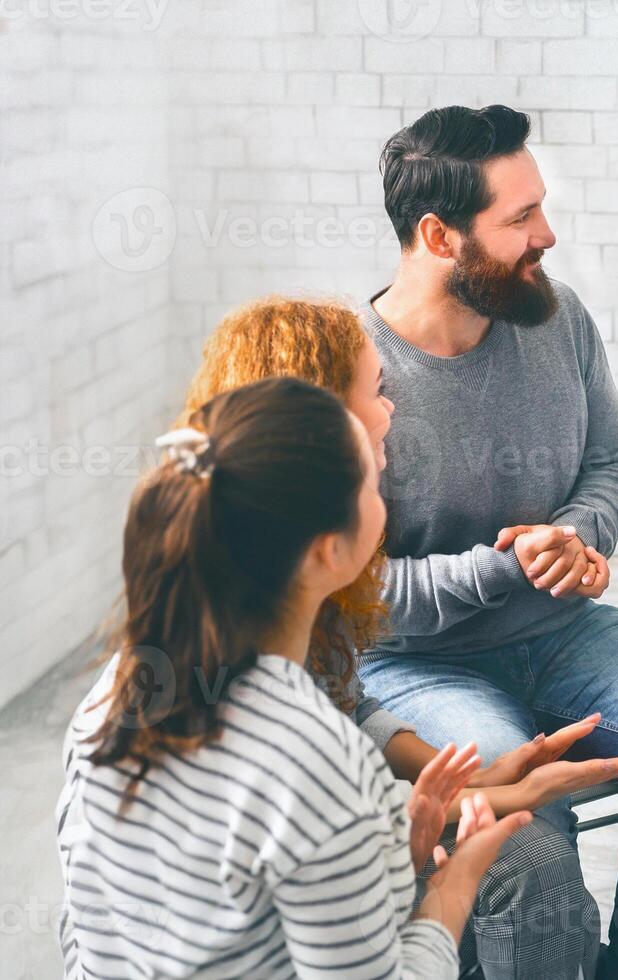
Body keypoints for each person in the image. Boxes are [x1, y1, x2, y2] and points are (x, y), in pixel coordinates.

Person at [356, 103, 618, 979]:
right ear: (439, 235)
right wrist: (506, 566)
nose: (548, 234)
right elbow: (355, 586)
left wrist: (575, 535)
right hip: (419, 664)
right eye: (520, 218)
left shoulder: (557, 318)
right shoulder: (353, 375)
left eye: (541, 207)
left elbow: (617, 463)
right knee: (529, 831)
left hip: (565, 635)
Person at [182, 296, 618, 979]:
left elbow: (343, 703)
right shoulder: (299, 768)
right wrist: (457, 864)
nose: (394, 411)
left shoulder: (264, 610)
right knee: (536, 865)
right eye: (378, 392)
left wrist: (473, 783)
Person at [57, 377, 530, 977]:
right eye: (368, 482)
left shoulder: (112, 698)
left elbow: (85, 929)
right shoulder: (318, 759)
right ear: (327, 551)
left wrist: (380, 858)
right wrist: (454, 885)